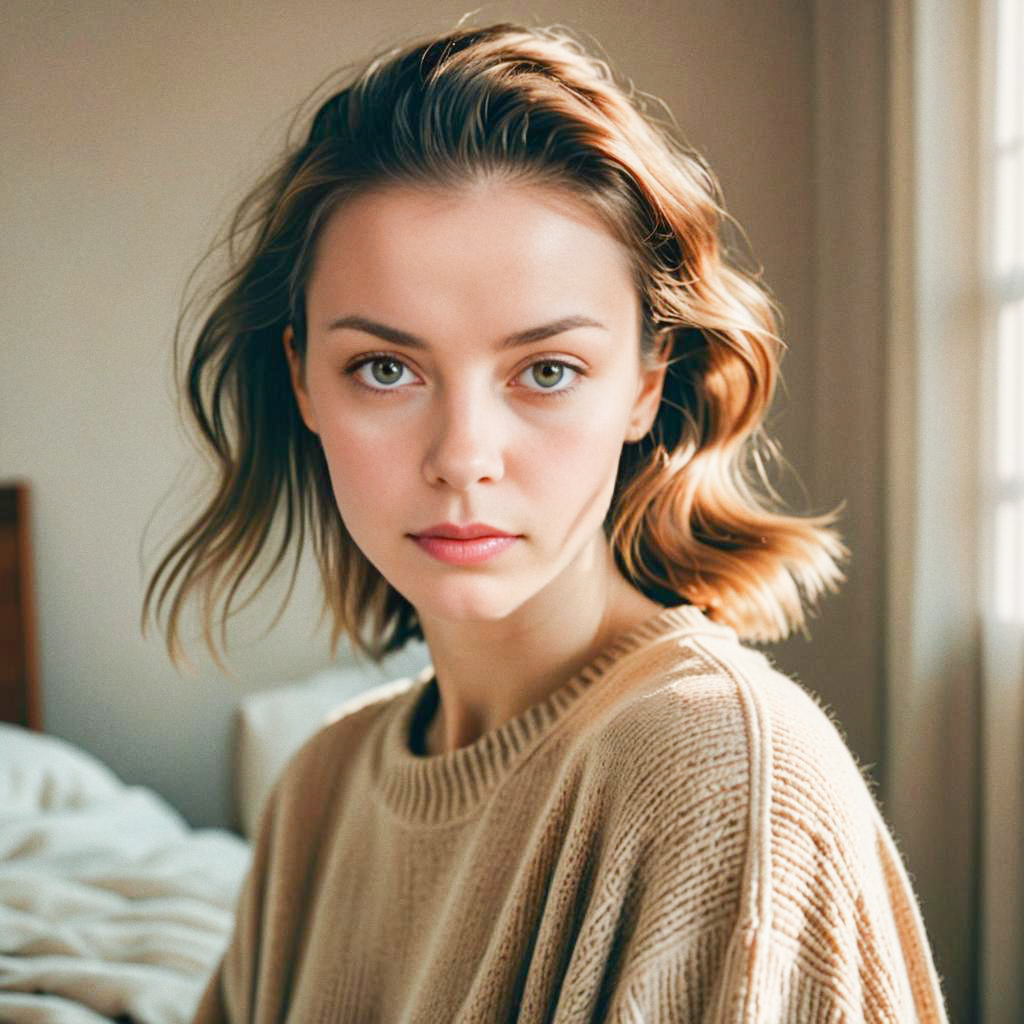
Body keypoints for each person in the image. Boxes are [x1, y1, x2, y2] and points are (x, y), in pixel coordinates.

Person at [144, 20, 949, 1022]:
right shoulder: (320, 788)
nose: (462, 456)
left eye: (547, 371)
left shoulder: (725, 778)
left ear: (647, 385)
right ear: (303, 375)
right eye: (384, 369)